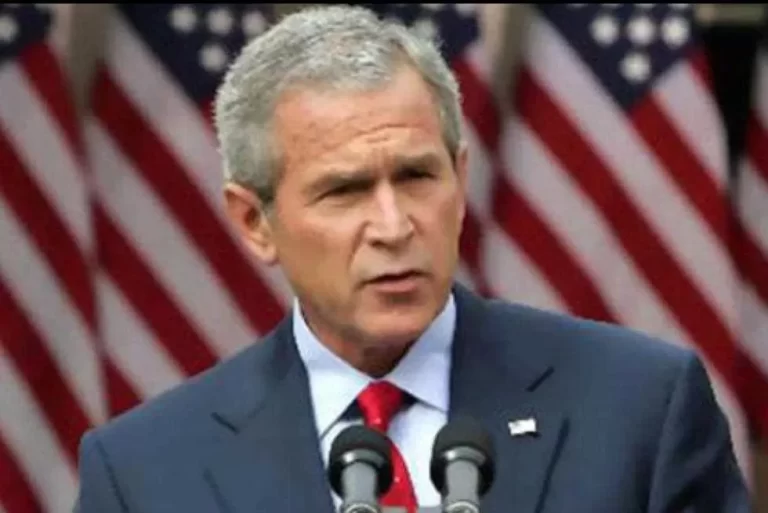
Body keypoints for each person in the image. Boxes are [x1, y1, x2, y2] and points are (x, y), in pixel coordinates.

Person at [74, 5, 752, 513]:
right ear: (256, 222)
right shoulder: (144, 473)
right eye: (344, 191)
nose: (394, 226)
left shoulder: (639, 408)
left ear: (460, 178)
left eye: (417, 176)